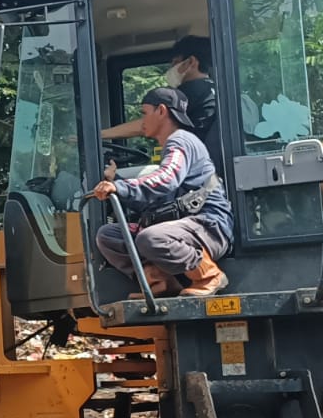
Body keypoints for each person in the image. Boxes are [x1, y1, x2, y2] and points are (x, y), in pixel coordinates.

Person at [92, 86, 233, 298]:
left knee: (151, 238)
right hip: (182, 228)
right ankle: (160, 281)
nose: (141, 121)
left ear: (161, 111)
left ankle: (209, 275)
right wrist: (116, 182)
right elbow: (156, 200)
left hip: (209, 225)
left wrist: (121, 187)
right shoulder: (172, 146)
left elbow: (167, 179)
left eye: (144, 113)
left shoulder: (180, 140)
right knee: (109, 235)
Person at [100, 35, 221, 173]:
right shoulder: (211, 89)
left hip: (192, 168)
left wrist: (100, 134)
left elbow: (148, 123)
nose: (171, 68)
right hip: (200, 164)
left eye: (175, 62)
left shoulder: (190, 91)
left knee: (114, 179)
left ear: (191, 62)